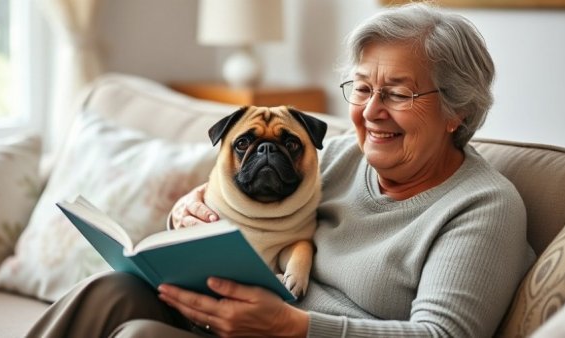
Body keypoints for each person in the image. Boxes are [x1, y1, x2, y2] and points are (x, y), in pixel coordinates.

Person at [27, 3, 536, 337]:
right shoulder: (333, 157)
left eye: (398, 94)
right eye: (362, 88)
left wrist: (296, 327)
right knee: (110, 290)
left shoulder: (481, 206)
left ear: (458, 111)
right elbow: (233, 195)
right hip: (240, 322)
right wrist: (188, 212)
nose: (372, 111)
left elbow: (441, 337)